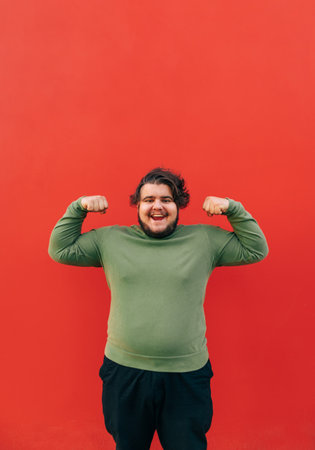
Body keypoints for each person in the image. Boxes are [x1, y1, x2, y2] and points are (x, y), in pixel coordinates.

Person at [48, 167, 269, 450]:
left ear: (178, 206)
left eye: (166, 199)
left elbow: (255, 249)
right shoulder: (111, 240)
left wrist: (232, 208)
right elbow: (61, 249)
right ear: (138, 206)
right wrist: (78, 208)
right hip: (125, 373)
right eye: (149, 199)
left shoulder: (204, 240)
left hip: (186, 376)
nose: (157, 206)